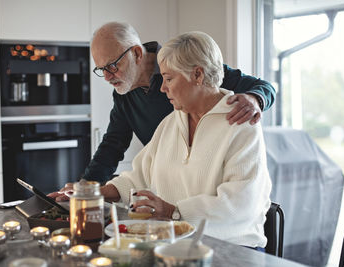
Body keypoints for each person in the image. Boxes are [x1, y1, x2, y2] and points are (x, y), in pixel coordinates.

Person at [48, 21, 275, 200]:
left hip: (209, 199)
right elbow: (113, 148)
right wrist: (87, 191)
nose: (107, 77)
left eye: (111, 66)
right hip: (172, 195)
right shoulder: (129, 97)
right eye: (101, 69)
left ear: (137, 53)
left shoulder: (188, 65)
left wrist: (256, 98)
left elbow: (263, 87)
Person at [95, 31, 271, 248]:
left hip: (231, 250)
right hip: (176, 244)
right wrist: (91, 194)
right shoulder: (171, 123)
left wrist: (173, 212)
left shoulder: (242, 124)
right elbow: (138, 177)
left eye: (169, 78)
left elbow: (241, 204)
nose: (162, 87)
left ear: (198, 75)